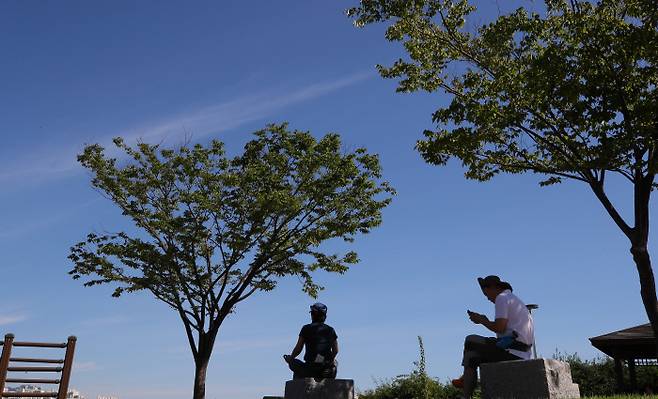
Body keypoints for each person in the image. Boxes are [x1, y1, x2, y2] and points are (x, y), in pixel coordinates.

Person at [452, 275, 535, 399]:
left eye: (486, 294)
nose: (488, 299)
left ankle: (466, 383)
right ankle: (466, 392)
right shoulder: (513, 299)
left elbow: (500, 327)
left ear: (493, 288)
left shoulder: (501, 298)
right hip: (521, 351)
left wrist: (482, 320)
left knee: (470, 340)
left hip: (512, 352)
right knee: (471, 357)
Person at [283, 302, 339, 379]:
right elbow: (336, 350)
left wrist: (291, 358)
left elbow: (298, 348)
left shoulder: (306, 328)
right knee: (335, 363)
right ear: (325, 316)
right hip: (324, 367)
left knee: (293, 362)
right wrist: (330, 360)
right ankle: (326, 371)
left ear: (312, 315)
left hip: (309, 369)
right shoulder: (330, 330)